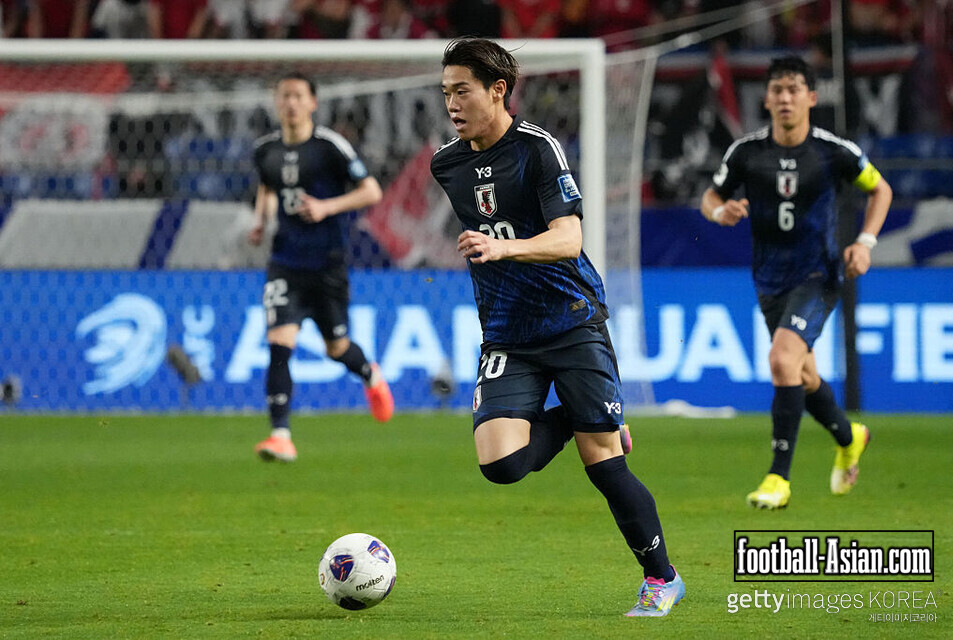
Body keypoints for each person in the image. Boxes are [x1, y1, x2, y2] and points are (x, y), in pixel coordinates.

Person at [430, 37, 684, 617]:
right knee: (500, 464)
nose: (451, 103)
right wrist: (495, 251)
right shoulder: (446, 163)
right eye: (445, 92)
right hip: (507, 332)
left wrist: (506, 249)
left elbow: (570, 238)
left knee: (604, 464)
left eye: (461, 90)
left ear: (497, 90)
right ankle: (579, 416)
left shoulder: (539, 150)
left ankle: (662, 577)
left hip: (570, 321)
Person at [700, 55, 892, 509]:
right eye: (777, 90)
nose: (785, 98)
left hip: (819, 275)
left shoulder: (833, 151)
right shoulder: (746, 152)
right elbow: (711, 195)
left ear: (811, 97)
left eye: (793, 90)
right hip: (769, 280)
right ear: (766, 99)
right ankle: (850, 437)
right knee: (801, 375)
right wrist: (717, 212)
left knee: (782, 360)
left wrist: (864, 242)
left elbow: (880, 189)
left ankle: (777, 478)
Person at [249, 71, 393, 463]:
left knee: (337, 348)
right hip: (285, 263)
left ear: (313, 102)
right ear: (276, 103)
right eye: (284, 96)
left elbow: (371, 190)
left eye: (298, 95)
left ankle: (370, 374)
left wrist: (326, 207)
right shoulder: (265, 150)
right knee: (280, 343)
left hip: (327, 265)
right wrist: (261, 221)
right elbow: (267, 187)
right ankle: (281, 435)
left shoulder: (330, 146)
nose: (291, 103)